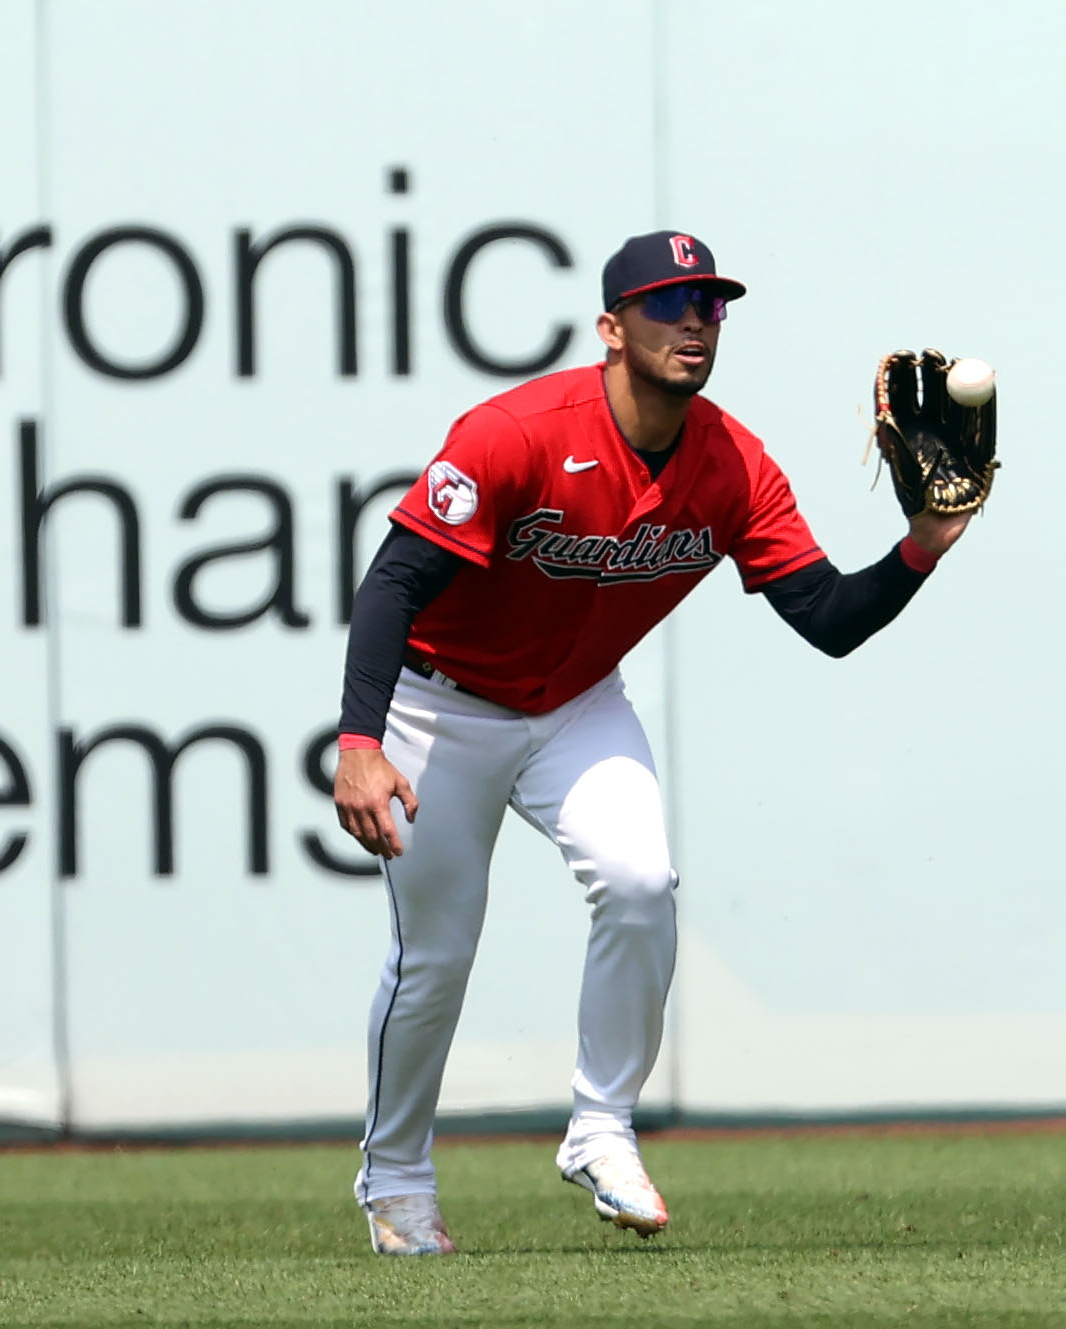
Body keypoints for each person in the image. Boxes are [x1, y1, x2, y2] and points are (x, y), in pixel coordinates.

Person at [333, 230, 976, 1255]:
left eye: (709, 306)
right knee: (438, 956)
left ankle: (601, 1126)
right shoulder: (516, 433)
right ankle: (398, 1178)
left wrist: (924, 547)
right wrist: (361, 742)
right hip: (438, 706)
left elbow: (826, 617)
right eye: (667, 304)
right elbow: (394, 582)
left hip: (576, 702)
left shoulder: (731, 461)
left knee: (640, 883)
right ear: (610, 327)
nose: (692, 322)